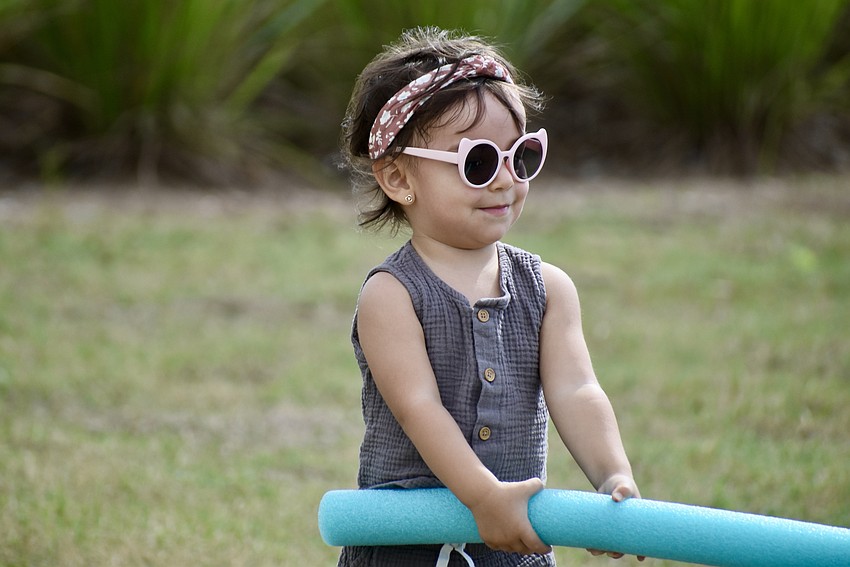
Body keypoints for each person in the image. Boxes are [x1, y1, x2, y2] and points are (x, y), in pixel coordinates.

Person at [338, 27, 642, 567]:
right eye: (477, 163)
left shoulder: (548, 288)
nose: (505, 180)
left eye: (520, 156)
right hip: (406, 547)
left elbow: (577, 390)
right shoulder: (391, 296)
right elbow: (418, 408)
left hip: (513, 547)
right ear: (398, 177)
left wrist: (612, 475)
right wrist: (481, 496)